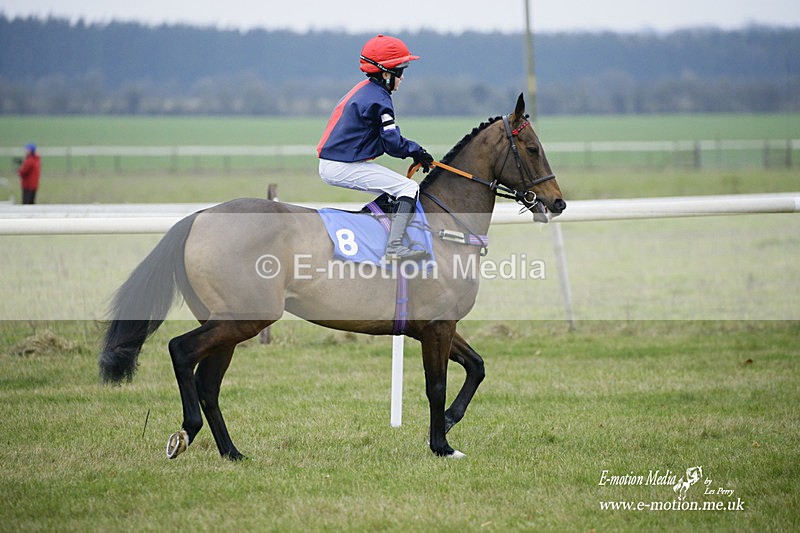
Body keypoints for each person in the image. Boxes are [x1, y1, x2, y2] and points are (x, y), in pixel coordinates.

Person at [317, 34, 434, 261]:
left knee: (393, 189)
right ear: (386, 73)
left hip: (339, 162)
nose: (403, 77)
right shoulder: (379, 100)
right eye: (400, 71)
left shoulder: (366, 89)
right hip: (342, 166)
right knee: (408, 189)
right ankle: (394, 249)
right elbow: (391, 144)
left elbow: (384, 139)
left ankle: (374, 228)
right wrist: (416, 150)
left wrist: (412, 150)